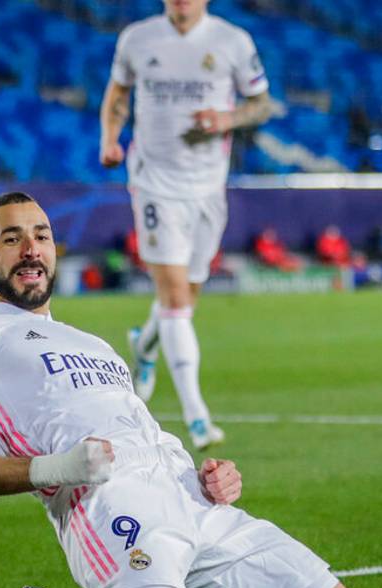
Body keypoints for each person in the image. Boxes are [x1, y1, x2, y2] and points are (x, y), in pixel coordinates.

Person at [0, 192, 379, 588]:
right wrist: (63, 467)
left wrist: (212, 477)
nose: (31, 249)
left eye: (41, 236)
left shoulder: (94, 344)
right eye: (11, 239)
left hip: (193, 496)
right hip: (110, 504)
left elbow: (136, 432)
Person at [99, 0, 273, 448]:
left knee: (185, 298)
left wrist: (227, 119)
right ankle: (198, 418)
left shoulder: (232, 41)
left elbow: (261, 104)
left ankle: (145, 346)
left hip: (208, 188)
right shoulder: (138, 39)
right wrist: (109, 139)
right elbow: (118, 93)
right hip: (154, 183)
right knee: (176, 299)